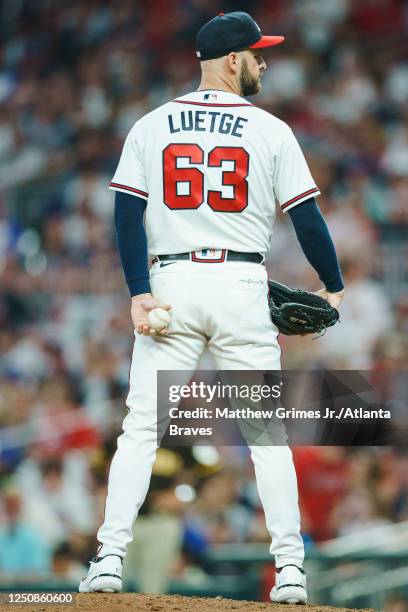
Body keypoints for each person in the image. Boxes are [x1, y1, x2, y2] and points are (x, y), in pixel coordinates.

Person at [79, 11, 344, 604]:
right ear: (232, 62)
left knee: (141, 429)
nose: (264, 62)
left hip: (171, 283)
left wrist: (137, 291)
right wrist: (332, 284)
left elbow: (126, 214)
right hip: (240, 285)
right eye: (256, 54)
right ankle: (292, 572)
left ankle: (108, 560)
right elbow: (307, 219)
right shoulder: (271, 130)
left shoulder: (151, 124)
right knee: (266, 437)